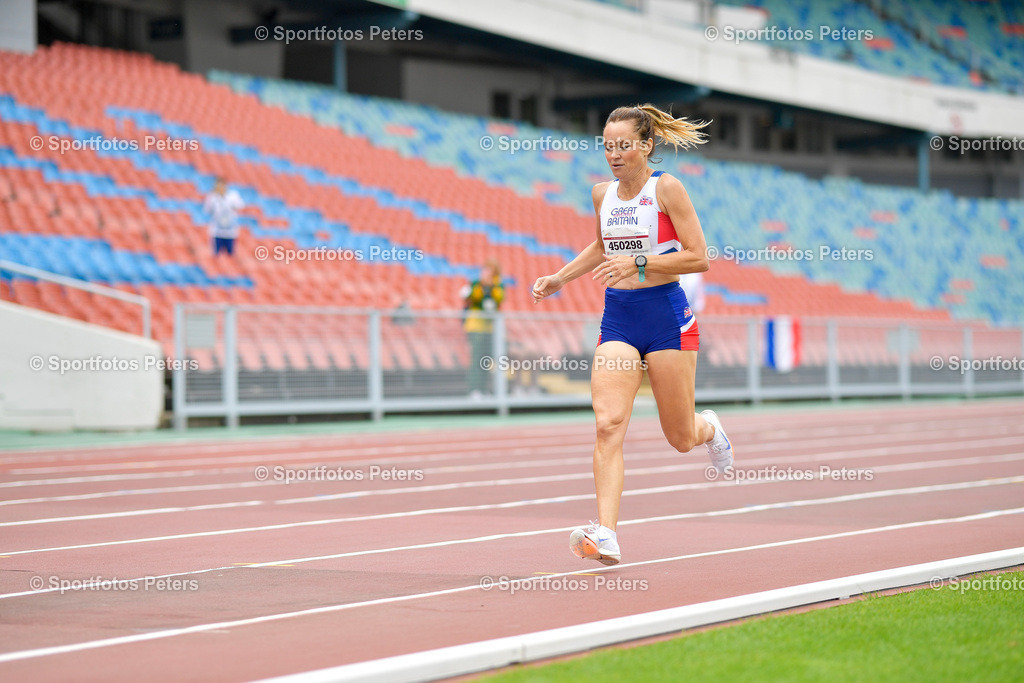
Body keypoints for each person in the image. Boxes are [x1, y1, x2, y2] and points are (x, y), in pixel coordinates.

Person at [532, 104, 733, 566]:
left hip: (666, 317)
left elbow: (699, 257)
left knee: (680, 437)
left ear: (646, 146)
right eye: (607, 146)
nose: (614, 155)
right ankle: (605, 533)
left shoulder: (668, 189)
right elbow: (603, 247)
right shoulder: (602, 195)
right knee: (608, 424)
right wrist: (560, 278)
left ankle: (711, 428)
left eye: (623, 146)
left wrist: (642, 263)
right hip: (619, 318)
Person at [462, 259, 504, 397]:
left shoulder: (498, 286)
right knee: (476, 358)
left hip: (490, 328)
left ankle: (484, 389)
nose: (486, 274)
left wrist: (491, 287)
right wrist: (481, 286)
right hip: (475, 326)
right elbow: (472, 297)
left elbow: (499, 299)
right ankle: (474, 390)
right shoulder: (475, 284)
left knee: (486, 360)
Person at [202, 176, 244, 257]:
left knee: (230, 256)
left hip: (230, 231)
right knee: (216, 256)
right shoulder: (212, 197)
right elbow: (207, 210)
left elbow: (240, 206)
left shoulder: (233, 196)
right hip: (217, 231)